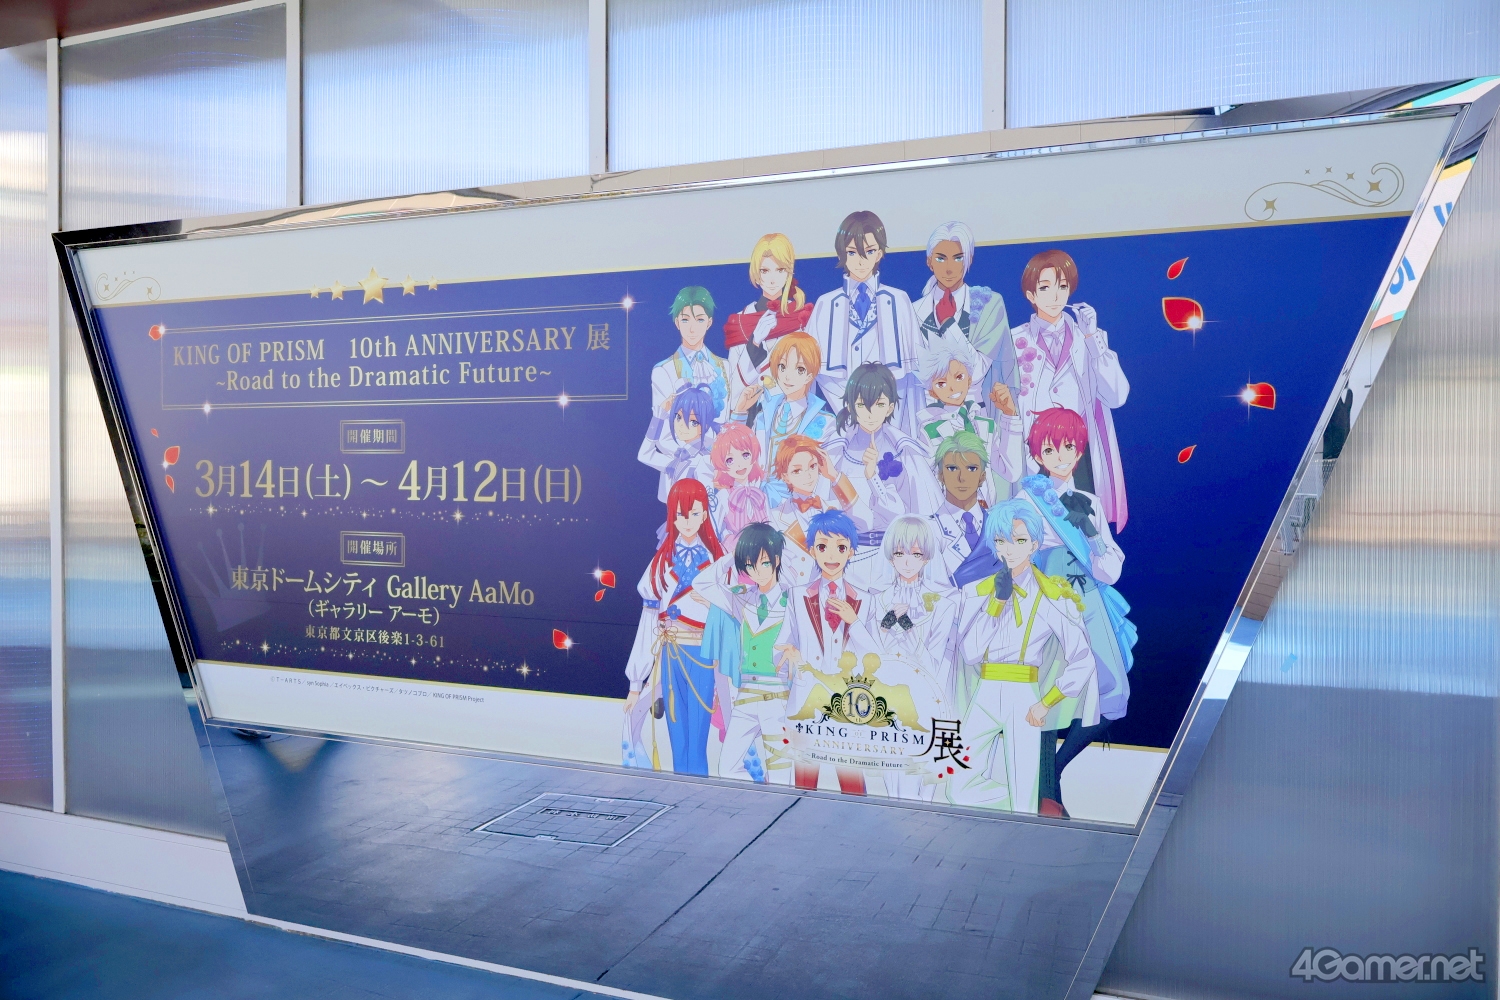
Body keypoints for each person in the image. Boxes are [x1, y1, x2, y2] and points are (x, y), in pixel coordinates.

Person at [1014, 407, 1135, 817]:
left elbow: (1110, 572)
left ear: (1079, 450)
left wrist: (1092, 536)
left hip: (1089, 602)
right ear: (1037, 454)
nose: (1061, 456)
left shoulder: (1090, 503)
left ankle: (1054, 773)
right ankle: (1048, 796)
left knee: (1112, 694)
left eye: (1068, 447)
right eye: (1050, 449)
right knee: (1047, 693)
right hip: (1044, 601)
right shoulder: (1025, 499)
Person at [945, 500, 1095, 813]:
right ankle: (1023, 805)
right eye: (1002, 541)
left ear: (1034, 545)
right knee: (956, 786)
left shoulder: (1052, 595)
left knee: (1024, 795)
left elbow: (1083, 658)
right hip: (985, 693)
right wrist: (997, 603)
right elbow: (970, 653)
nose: (1010, 549)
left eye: (1020, 540)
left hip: (1024, 697)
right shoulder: (979, 591)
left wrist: (1047, 702)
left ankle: (1026, 810)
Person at [1009, 249, 1130, 528]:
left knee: (1085, 527)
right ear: (1030, 295)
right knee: (1036, 528)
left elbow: (1117, 396)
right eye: (1045, 287)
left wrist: (1091, 337)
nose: (1055, 296)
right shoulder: (1014, 341)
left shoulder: (1090, 338)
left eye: (1062, 286)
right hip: (1035, 454)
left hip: (1079, 454)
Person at [695, 523, 815, 784]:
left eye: (763, 563)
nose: (756, 571)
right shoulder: (742, 597)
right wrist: (734, 556)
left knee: (781, 774)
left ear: (776, 560)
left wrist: (799, 656)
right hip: (747, 696)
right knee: (727, 767)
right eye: (749, 565)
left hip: (778, 697)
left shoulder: (793, 600)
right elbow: (701, 583)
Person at [622, 479, 725, 776]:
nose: (687, 521)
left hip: (705, 654)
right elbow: (648, 623)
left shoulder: (718, 562)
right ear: (672, 516)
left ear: (705, 515)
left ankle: (699, 787)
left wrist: (712, 605)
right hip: (670, 653)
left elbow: (732, 616)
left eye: (694, 513)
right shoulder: (660, 563)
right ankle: (680, 789)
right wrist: (636, 682)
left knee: (698, 732)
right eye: (680, 514)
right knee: (676, 728)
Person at [777, 509, 878, 794]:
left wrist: (853, 622)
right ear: (812, 550)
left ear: (852, 552)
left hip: (849, 703)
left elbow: (875, 657)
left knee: (852, 783)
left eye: (841, 547)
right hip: (807, 699)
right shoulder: (797, 596)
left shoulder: (865, 600)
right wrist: (788, 654)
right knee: (804, 784)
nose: (831, 555)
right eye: (823, 547)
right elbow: (782, 643)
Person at [865, 515, 961, 800]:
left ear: (927, 557)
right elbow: (871, 654)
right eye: (900, 553)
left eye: (916, 554)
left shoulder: (942, 604)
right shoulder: (877, 599)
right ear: (890, 556)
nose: (907, 561)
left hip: (925, 699)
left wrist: (906, 626)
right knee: (892, 778)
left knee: (922, 780)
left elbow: (932, 661)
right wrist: (887, 624)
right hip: (886, 698)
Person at [825, 363, 942, 588]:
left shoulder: (905, 451)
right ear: (850, 406)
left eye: (879, 404)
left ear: (890, 408)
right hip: (845, 559)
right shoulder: (837, 452)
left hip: (894, 561)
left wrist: (874, 478)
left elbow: (922, 513)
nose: (870, 414)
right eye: (862, 405)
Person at [807, 211, 922, 435]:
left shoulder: (899, 300)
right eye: (852, 252)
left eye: (868, 251)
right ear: (842, 253)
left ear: (879, 253)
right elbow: (811, 374)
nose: (860, 261)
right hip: (838, 419)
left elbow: (913, 373)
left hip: (893, 421)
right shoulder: (825, 304)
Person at [913, 221, 1013, 410]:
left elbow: (977, 371)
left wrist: (948, 324)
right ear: (929, 262)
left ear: (969, 259)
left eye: (958, 258)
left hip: (975, 414)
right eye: (941, 259)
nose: (949, 268)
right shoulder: (914, 310)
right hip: (927, 416)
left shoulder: (989, 304)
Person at [916, 334, 1024, 502]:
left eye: (959, 377)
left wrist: (1010, 415)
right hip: (951, 510)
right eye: (941, 384)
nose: (952, 388)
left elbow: (1011, 471)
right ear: (932, 392)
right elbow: (926, 482)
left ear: (969, 379)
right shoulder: (930, 430)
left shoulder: (984, 425)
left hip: (987, 508)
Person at [722, 234, 815, 426]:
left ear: (789, 272)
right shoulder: (740, 321)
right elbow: (733, 386)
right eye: (765, 270)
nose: (772, 279)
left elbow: (809, 376)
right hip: (751, 418)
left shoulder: (801, 317)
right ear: (757, 274)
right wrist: (755, 341)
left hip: (791, 418)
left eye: (780, 270)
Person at [738, 331, 836, 499]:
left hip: (799, 503)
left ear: (810, 375)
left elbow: (824, 478)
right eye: (782, 367)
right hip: (760, 499)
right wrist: (740, 412)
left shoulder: (824, 423)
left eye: (799, 369)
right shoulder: (764, 415)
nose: (787, 376)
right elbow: (740, 454)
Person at [651, 285, 731, 423]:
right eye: (685, 320)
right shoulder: (663, 370)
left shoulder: (725, 366)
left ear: (709, 323)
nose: (692, 328)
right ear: (677, 323)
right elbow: (662, 429)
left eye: (700, 320)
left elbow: (728, 419)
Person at [767, 434, 857, 549]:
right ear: (785, 477)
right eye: (797, 470)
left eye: (812, 466)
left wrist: (834, 475)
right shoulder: (775, 516)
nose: (808, 475)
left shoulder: (836, 507)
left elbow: (866, 523)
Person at [637, 382, 718, 503]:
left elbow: (708, 500)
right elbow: (645, 455)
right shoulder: (678, 455)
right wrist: (658, 418)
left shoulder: (704, 460)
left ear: (705, 426)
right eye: (678, 417)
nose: (682, 426)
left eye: (693, 422)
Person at [708, 423, 770, 550]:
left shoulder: (760, 495)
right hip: (734, 556)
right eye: (730, 460)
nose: (740, 464)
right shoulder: (723, 497)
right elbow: (716, 532)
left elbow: (771, 525)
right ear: (722, 466)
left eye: (745, 455)